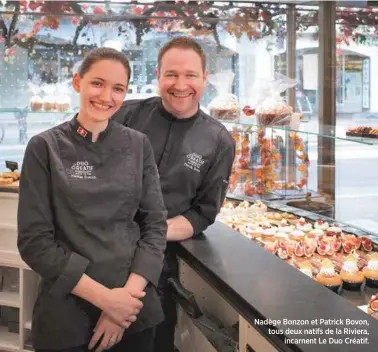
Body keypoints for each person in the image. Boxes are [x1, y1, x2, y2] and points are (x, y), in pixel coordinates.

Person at [17, 48, 167, 352]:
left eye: (118, 88)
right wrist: (106, 301)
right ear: (77, 82)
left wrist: (123, 303)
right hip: (68, 315)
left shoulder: (139, 145)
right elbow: (34, 242)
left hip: (132, 310)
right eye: (97, 83)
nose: (106, 96)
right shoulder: (44, 147)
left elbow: (154, 226)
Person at [112, 37, 236, 352]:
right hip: (101, 254)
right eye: (171, 74)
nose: (180, 84)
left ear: (204, 78)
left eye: (190, 75)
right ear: (158, 75)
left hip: (159, 270)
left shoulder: (219, 140)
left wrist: (150, 234)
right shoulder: (125, 115)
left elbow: (203, 214)